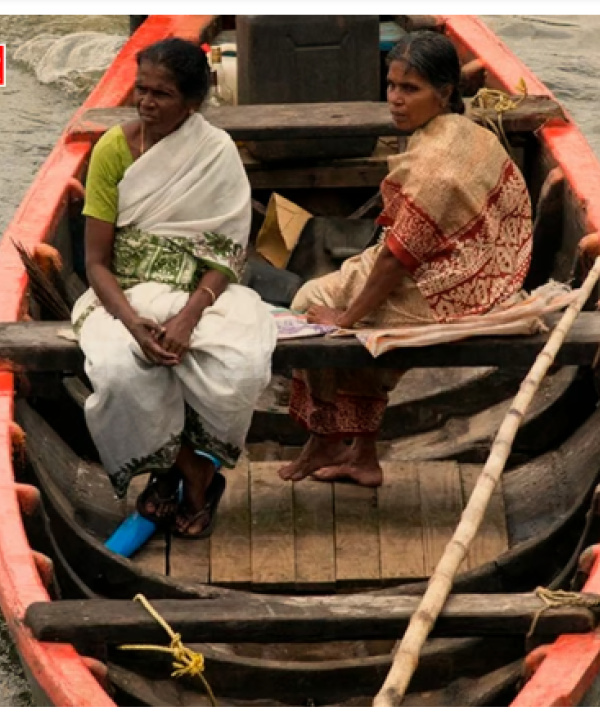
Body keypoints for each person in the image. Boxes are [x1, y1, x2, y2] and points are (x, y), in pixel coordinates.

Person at [279, 30, 533, 487]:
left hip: (453, 290)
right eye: (392, 85)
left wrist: (346, 318)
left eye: (409, 89)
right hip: (491, 270)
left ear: (445, 93)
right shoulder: (467, 132)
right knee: (347, 298)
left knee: (310, 305)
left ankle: (327, 437)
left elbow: (396, 259)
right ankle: (360, 454)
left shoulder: (433, 161)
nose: (395, 99)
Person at [72, 38, 278, 538]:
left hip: (204, 296)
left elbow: (227, 256)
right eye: (140, 90)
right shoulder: (113, 152)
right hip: (124, 296)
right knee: (122, 369)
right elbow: (96, 263)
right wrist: (130, 320)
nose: (145, 103)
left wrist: (187, 317)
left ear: (191, 102)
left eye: (160, 94)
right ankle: (191, 475)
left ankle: (176, 474)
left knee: (240, 364)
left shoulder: (215, 153)